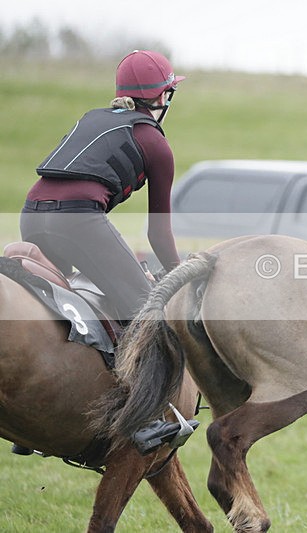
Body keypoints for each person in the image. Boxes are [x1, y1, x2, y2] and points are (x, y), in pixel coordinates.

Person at [12, 50, 185, 455]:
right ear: (163, 96)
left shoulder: (92, 118)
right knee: (147, 316)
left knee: (64, 312)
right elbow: (158, 233)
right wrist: (178, 275)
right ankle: (145, 421)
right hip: (78, 222)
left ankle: (31, 423)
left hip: (31, 215)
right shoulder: (155, 142)